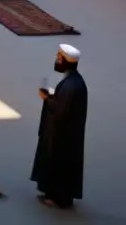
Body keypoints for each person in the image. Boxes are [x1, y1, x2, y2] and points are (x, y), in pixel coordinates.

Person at [31, 44, 88, 209]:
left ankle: (58, 198)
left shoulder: (71, 85)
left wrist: (46, 98)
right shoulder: (73, 81)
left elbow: (61, 110)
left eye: (59, 59)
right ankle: (56, 194)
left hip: (62, 135)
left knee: (59, 164)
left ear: (66, 62)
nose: (56, 61)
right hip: (66, 133)